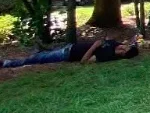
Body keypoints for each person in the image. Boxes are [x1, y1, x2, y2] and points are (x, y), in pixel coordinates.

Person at [1, 38, 139, 69]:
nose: (122, 47)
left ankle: (8, 63)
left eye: (124, 50)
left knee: (38, 59)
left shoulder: (108, 56)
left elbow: (84, 61)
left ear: (122, 55)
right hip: (70, 46)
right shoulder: (115, 43)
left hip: (67, 54)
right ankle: (39, 50)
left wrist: (94, 46)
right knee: (43, 52)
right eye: (125, 46)